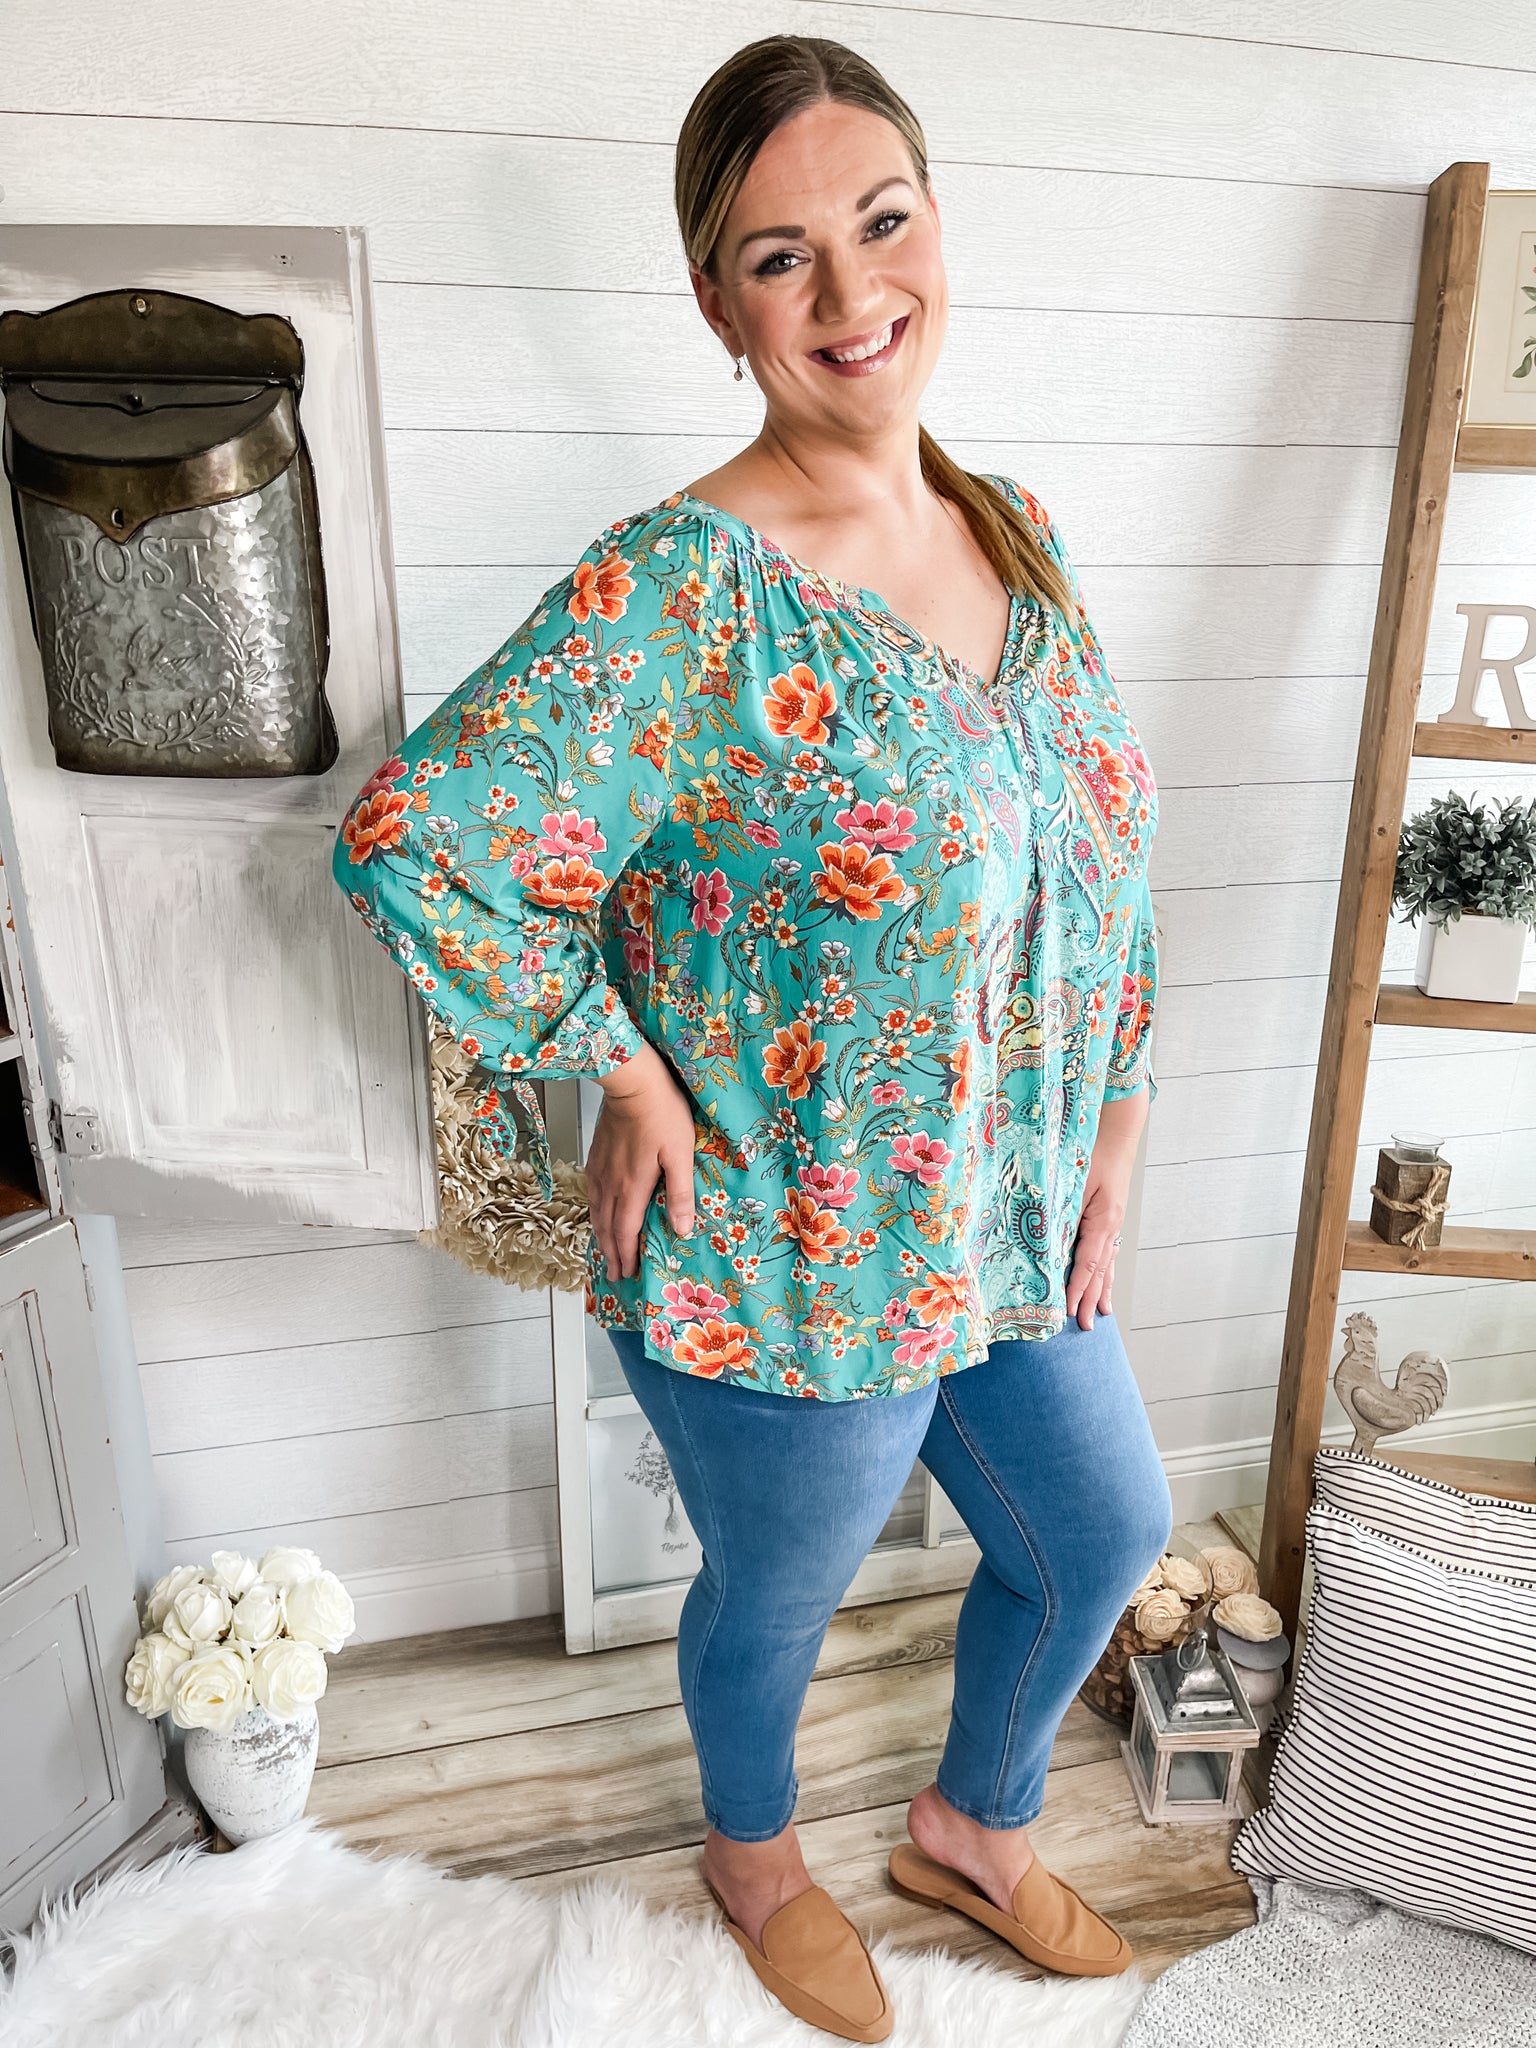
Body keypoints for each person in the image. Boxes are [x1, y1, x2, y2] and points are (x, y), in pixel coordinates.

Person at [333, 32, 1172, 2044]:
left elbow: (1102, 853)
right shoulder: (683, 595)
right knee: (779, 1599)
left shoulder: (1018, 532)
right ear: (720, 304)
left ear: (938, 222)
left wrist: (1120, 1111)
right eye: (783, 257)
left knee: (1105, 1531)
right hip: (781, 1242)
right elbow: (418, 841)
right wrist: (615, 1065)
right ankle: (753, 1853)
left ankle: (972, 1825)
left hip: (996, 1207)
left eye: (883, 222)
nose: (852, 292)